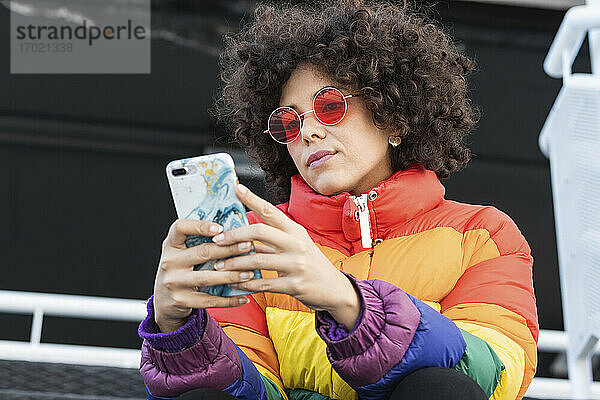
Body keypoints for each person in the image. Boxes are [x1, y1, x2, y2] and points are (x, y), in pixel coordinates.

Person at [137, 1, 538, 399]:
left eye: (329, 107)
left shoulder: (484, 234)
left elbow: (495, 376)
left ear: (393, 115)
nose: (307, 133)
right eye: (287, 122)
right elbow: (248, 393)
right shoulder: (253, 241)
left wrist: (349, 302)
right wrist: (176, 331)